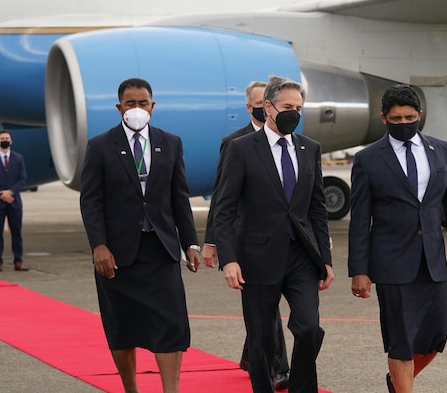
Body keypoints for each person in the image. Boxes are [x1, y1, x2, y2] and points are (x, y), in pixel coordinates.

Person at [79, 78, 201, 393]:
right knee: (122, 326)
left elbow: (179, 198)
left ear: (152, 105)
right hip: (117, 254)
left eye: (142, 103)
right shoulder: (100, 146)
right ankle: (131, 389)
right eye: (130, 104)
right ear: (119, 108)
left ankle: (170, 390)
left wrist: (190, 243)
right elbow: (90, 201)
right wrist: (99, 245)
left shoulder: (170, 142)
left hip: (160, 249)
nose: (137, 109)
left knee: (170, 325)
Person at [213, 75, 334, 393]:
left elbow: (317, 208)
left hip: (301, 258)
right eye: (287, 106)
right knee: (261, 337)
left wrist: (326, 259)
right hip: (256, 257)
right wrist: (229, 259)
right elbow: (224, 209)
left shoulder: (310, 148)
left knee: (309, 328)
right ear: (267, 107)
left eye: (299, 107)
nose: (293, 112)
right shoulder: (241, 149)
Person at [348, 84, 447, 393]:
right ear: (383, 118)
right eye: (396, 118)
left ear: (420, 115)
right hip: (392, 263)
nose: (404, 123)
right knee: (400, 340)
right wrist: (359, 270)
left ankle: (397, 381)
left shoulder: (440, 149)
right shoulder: (368, 159)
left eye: (409, 117)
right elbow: (360, 220)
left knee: (437, 334)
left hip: (432, 261)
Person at [202, 81, 291, 390]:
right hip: (248, 240)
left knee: (261, 310)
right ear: (252, 106)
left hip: (285, 239)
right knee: (267, 309)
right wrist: (213, 241)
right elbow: (222, 197)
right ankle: (279, 369)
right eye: (257, 102)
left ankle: (250, 358)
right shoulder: (235, 142)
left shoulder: (291, 140)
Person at [0, 130, 29, 272]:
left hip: (14, 201)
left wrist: (11, 192)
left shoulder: (18, 158)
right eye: (2, 138)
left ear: (11, 141)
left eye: (7, 138)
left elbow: (22, 179)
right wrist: (1, 193)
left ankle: (18, 261)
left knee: (17, 233)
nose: (5, 140)